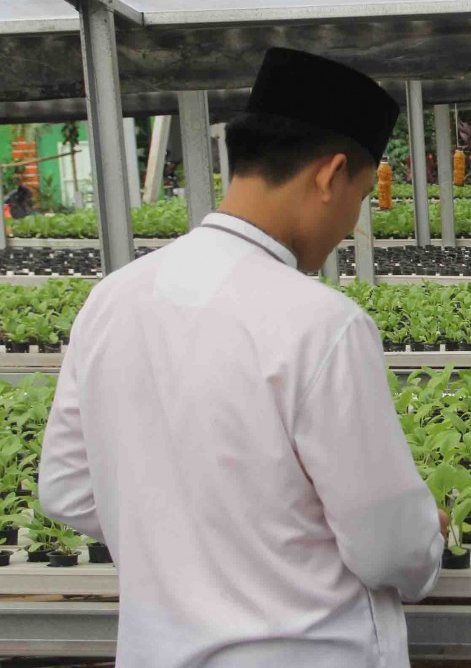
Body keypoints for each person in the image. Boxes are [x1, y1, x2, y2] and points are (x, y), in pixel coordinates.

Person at [38, 47, 446, 667]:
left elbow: (66, 491)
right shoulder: (322, 323)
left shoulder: (111, 300)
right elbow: (385, 543)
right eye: (361, 197)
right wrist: (425, 536)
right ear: (331, 175)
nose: (351, 224)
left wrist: (181, 529)